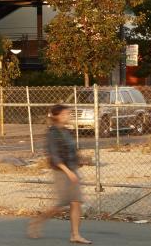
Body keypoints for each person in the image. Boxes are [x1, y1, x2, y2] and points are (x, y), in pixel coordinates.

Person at [29, 104, 89, 243]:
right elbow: (54, 156)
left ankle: (75, 235)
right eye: (66, 114)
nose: (68, 116)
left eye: (69, 114)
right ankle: (37, 222)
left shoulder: (67, 131)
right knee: (61, 204)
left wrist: (80, 160)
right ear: (57, 116)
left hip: (72, 170)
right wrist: (68, 172)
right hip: (61, 172)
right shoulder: (52, 133)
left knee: (76, 202)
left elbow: (73, 150)